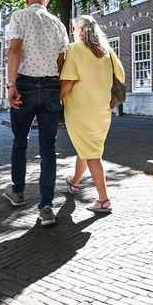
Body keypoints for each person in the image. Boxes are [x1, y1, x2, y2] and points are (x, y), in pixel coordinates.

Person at [3, 0, 69, 226]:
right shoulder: (58, 23)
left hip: (25, 85)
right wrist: (57, 89)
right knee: (48, 148)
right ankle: (47, 206)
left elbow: (14, 50)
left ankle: (18, 191)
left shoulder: (19, 16)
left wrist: (12, 84)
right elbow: (62, 60)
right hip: (51, 86)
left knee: (20, 141)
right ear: (46, 2)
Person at [60, 15, 125, 214]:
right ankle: (74, 182)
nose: (73, 32)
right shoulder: (108, 52)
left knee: (92, 154)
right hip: (102, 111)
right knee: (87, 149)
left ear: (80, 31)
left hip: (80, 111)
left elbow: (68, 82)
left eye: (74, 29)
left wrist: (56, 100)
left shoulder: (74, 49)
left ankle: (104, 199)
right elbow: (121, 76)